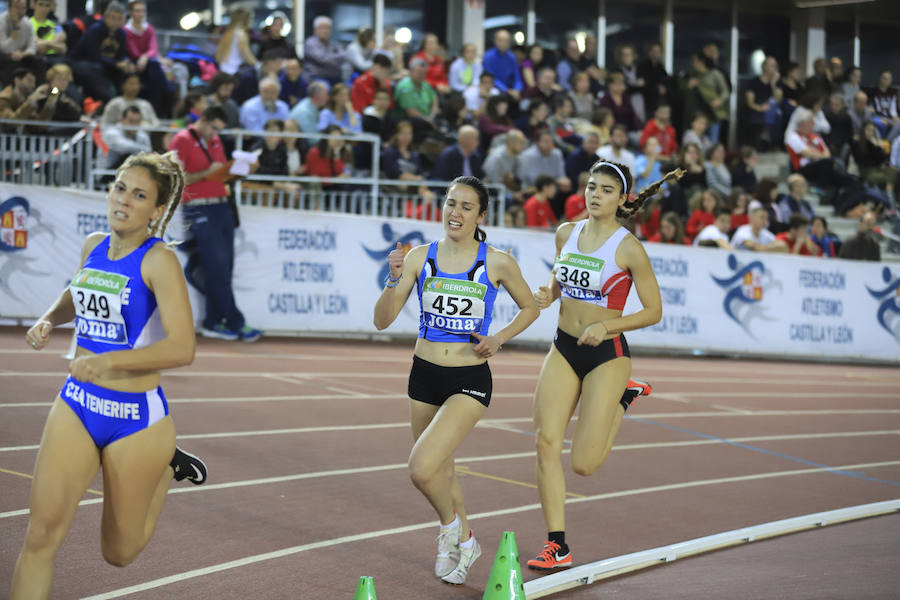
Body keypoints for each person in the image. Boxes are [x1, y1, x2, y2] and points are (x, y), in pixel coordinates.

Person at [10, 152, 208, 600]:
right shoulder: (94, 245)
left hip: (136, 417)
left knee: (118, 553)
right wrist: (48, 318)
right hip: (78, 403)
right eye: (120, 187)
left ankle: (164, 468)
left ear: (157, 211)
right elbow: (78, 290)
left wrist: (107, 362)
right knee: (40, 537)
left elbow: (183, 348)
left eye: (139, 195)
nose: (123, 200)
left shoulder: (158, 262)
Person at [372, 176, 539, 584]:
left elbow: (530, 307)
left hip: (469, 377)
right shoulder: (418, 257)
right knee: (441, 470)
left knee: (420, 468)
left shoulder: (496, 261)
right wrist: (393, 278)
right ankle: (463, 544)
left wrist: (499, 338)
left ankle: (453, 529)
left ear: (481, 215)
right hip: (423, 375)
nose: (455, 213)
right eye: (450, 203)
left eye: (466, 206)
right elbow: (381, 321)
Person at [527, 161, 676, 571]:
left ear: (623, 198)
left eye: (606, 190)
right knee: (544, 442)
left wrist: (607, 325)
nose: (595, 195)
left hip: (606, 355)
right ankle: (557, 545)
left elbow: (654, 311)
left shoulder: (628, 248)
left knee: (584, 464)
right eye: (592, 187)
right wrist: (549, 293)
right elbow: (562, 276)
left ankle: (624, 396)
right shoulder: (566, 233)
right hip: (563, 348)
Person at [168, 106, 262, 341]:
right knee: (218, 267)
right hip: (199, 207)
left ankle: (212, 321)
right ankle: (235, 321)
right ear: (203, 120)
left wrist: (237, 171)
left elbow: (217, 172)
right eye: (213, 128)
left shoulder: (215, 140)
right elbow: (175, 177)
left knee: (223, 268)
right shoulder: (182, 139)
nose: (215, 134)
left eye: (219, 130)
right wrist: (206, 173)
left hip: (221, 205)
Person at [103, 105, 151, 169]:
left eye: (137, 122)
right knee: (128, 156)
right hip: (107, 173)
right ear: (122, 120)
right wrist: (143, 149)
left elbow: (148, 152)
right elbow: (125, 147)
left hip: (130, 173)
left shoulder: (142, 135)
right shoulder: (111, 133)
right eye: (131, 121)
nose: (134, 125)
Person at [303, 16, 346, 85]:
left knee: (345, 89)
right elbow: (323, 59)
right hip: (316, 77)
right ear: (315, 30)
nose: (325, 31)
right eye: (322, 28)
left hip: (335, 76)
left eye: (327, 28)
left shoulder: (334, 43)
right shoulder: (310, 43)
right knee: (325, 88)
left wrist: (329, 57)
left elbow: (343, 56)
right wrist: (335, 58)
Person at [215, 7, 257, 76]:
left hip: (224, 69)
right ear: (246, 19)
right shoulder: (241, 34)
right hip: (235, 71)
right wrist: (258, 65)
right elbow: (246, 54)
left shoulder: (228, 33)